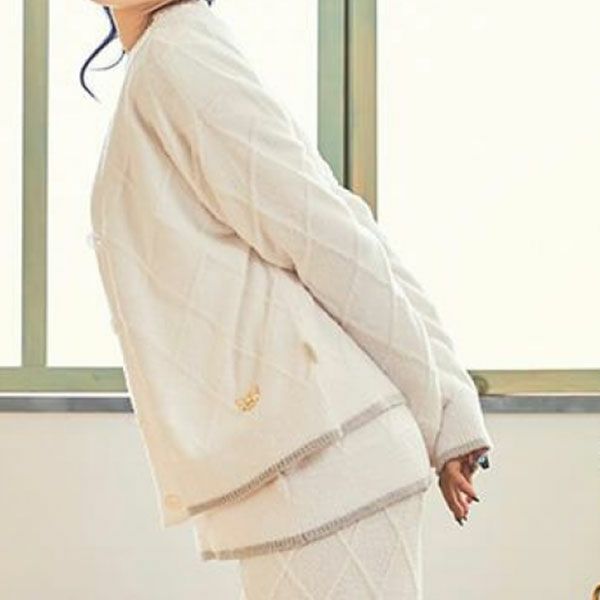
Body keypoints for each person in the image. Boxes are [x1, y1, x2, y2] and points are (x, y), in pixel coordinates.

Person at [83, 1, 494, 597]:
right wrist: (448, 404)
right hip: (308, 470)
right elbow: (335, 214)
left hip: (328, 468)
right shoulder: (165, 58)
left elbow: (325, 232)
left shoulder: (178, 55)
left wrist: (442, 410)